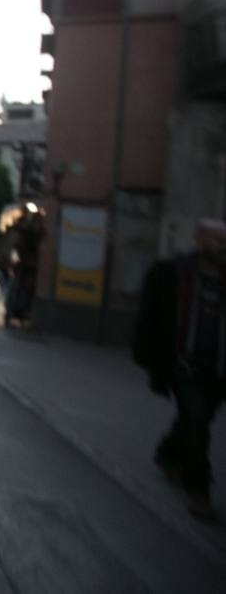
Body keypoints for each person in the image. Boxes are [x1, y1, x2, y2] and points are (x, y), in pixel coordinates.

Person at [133, 218, 226, 521]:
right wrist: (149, 354)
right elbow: (151, 316)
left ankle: (168, 452)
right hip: (183, 364)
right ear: (199, 239)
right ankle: (198, 490)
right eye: (216, 239)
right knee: (197, 417)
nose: (221, 245)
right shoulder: (173, 274)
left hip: (218, 369)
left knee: (197, 417)